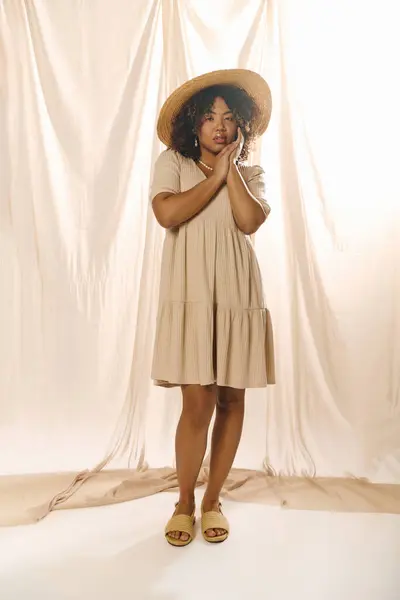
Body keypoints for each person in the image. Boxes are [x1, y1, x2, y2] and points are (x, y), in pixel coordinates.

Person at [150, 69, 275, 546]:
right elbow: (167, 213)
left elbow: (247, 222)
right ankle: (183, 501)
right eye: (208, 117)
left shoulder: (253, 174)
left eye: (228, 118)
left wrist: (232, 172)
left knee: (232, 398)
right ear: (193, 126)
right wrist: (215, 176)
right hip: (191, 293)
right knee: (197, 401)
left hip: (238, 294)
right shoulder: (174, 163)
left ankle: (212, 500)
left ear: (241, 125)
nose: (218, 126)